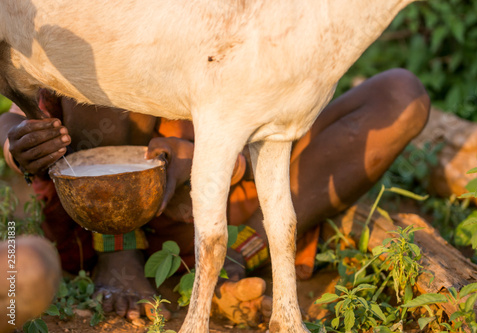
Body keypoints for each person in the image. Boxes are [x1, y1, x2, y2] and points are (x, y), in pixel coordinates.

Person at [0, 68, 430, 326]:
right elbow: (11, 119)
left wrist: (209, 158)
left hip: (241, 184)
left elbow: (276, 105)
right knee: (105, 59)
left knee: (399, 94)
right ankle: (119, 250)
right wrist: (18, 142)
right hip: (114, 189)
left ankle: (239, 253)